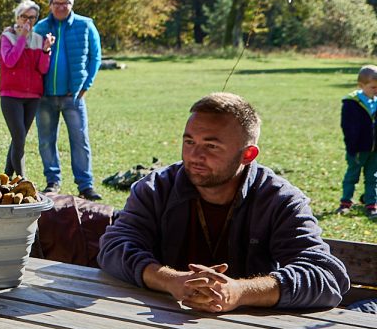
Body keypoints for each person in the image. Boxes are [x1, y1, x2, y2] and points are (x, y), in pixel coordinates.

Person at [98, 93, 349, 312]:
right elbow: (114, 246)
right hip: (160, 320)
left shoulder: (279, 200)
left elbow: (326, 277)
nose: (195, 156)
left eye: (211, 146)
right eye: (189, 142)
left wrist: (240, 291)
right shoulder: (157, 188)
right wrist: (171, 281)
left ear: (248, 154)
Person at [34, 0, 102, 200]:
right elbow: (31, 58)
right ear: (50, 4)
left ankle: (85, 185)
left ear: (72, 4)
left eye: (65, 3)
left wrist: (86, 85)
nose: (61, 7)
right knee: (46, 140)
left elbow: (95, 57)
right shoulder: (41, 27)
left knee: (80, 139)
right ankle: (52, 182)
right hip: (45, 96)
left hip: (74, 95)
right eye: (56, 3)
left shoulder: (85, 25)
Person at [0, 0, 53, 178]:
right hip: (11, 95)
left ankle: (6, 178)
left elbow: (42, 69)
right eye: (24, 17)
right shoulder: (7, 37)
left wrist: (45, 51)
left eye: (32, 18)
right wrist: (21, 38)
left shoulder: (39, 39)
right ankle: (23, 180)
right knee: (19, 138)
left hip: (33, 96)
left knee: (18, 139)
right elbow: (10, 61)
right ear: (17, 17)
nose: (28, 21)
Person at [336, 64, 377, 217]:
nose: (376, 90)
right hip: (358, 149)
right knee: (352, 176)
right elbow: (348, 127)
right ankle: (345, 202)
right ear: (361, 85)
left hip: (375, 150)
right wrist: (352, 148)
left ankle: (371, 204)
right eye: (373, 87)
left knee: (373, 177)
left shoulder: (376, 102)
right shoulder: (351, 104)